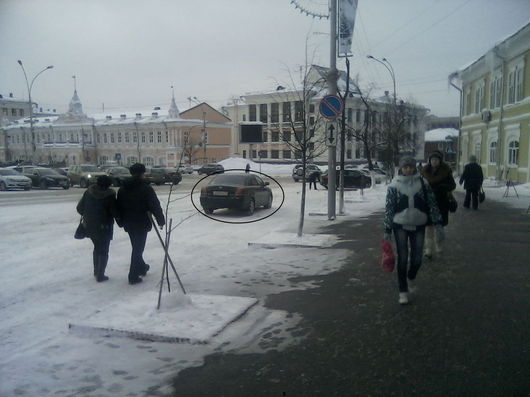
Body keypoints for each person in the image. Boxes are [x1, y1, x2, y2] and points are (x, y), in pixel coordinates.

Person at [383, 156, 443, 305]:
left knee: (417, 259)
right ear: (401, 168)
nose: (408, 169)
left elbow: (432, 203)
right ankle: (402, 291)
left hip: (419, 224)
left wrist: (438, 223)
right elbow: (389, 208)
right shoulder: (394, 185)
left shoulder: (423, 183)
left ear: (415, 168)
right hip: (400, 225)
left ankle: (411, 276)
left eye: (410, 167)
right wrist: (387, 229)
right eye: (405, 167)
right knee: (403, 258)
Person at [116, 163, 165, 285]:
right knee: (138, 248)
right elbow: (154, 205)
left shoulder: (123, 188)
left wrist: (120, 221)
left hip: (128, 221)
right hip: (142, 221)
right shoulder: (146, 188)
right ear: (142, 173)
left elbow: (118, 206)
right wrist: (160, 219)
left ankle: (142, 267)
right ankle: (133, 275)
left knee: (136, 246)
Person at [76, 175, 119, 282]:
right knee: (104, 250)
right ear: (108, 185)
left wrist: (89, 215)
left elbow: (79, 208)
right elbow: (115, 212)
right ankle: (101, 274)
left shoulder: (88, 192)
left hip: (90, 225)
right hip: (104, 226)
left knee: (97, 247)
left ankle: (96, 270)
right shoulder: (110, 195)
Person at [421, 150, 456, 258]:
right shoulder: (425, 171)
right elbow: (420, 185)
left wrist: (442, 187)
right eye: (432, 159)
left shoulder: (446, 172)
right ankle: (428, 249)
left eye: (436, 159)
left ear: (440, 160)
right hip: (428, 202)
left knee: (439, 226)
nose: (434, 161)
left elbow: (452, 186)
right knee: (428, 226)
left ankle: (439, 245)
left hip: (441, 202)